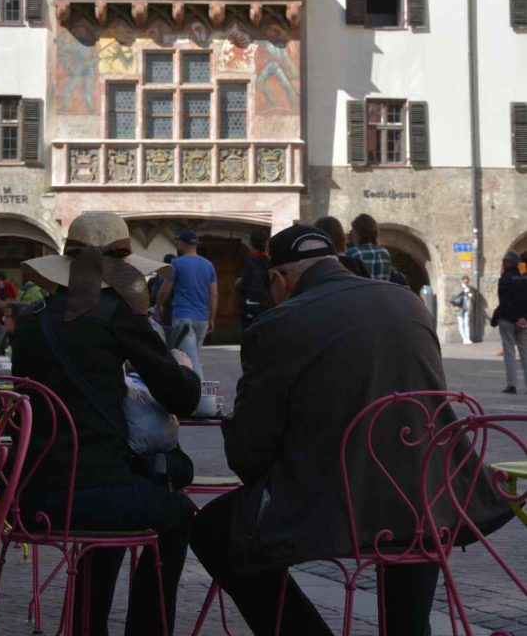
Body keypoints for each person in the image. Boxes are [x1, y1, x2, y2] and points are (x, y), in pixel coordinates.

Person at [190, 224, 508, 636]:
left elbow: (250, 450)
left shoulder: (278, 323)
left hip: (340, 503)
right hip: (437, 492)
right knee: (408, 499)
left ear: (278, 279)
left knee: (213, 530)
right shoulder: (409, 302)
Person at [13, 211, 200, 636]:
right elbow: (182, 397)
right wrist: (183, 366)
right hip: (87, 493)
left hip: (28, 494)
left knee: (120, 494)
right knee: (177, 511)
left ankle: (86, 625)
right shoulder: (115, 313)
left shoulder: (31, 320)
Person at [156, 230, 217, 377]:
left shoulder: (177, 263)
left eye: (178, 241)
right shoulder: (208, 265)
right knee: (194, 357)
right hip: (202, 318)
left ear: (183, 243)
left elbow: (165, 290)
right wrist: (212, 318)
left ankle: (201, 396)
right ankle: (191, 392)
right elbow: (214, 295)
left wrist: (159, 305)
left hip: (183, 317)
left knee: (191, 360)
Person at [490, 250, 527, 394]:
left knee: (509, 352)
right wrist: (523, 317)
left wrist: (515, 317)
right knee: (524, 351)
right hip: (523, 321)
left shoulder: (505, 278)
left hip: (508, 319)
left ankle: (512, 385)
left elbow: (505, 301)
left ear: (507, 263)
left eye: (503, 261)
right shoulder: (524, 279)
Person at [236, 231, 271, 330]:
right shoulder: (269, 262)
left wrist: (239, 283)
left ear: (251, 245)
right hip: (267, 306)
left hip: (250, 306)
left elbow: (244, 286)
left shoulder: (251, 262)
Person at [346, 213, 392, 281]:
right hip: (381, 291)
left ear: (357, 233)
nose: (351, 233)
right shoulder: (385, 253)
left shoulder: (353, 253)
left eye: (353, 230)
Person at [452, 275, 473, 345]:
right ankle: (464, 338)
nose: (466, 283)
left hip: (467, 307)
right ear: (462, 281)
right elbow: (455, 295)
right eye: (465, 281)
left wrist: (469, 294)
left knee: (466, 323)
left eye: (467, 282)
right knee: (461, 324)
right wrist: (463, 290)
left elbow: (469, 297)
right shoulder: (459, 287)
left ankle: (468, 338)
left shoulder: (469, 288)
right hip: (459, 308)